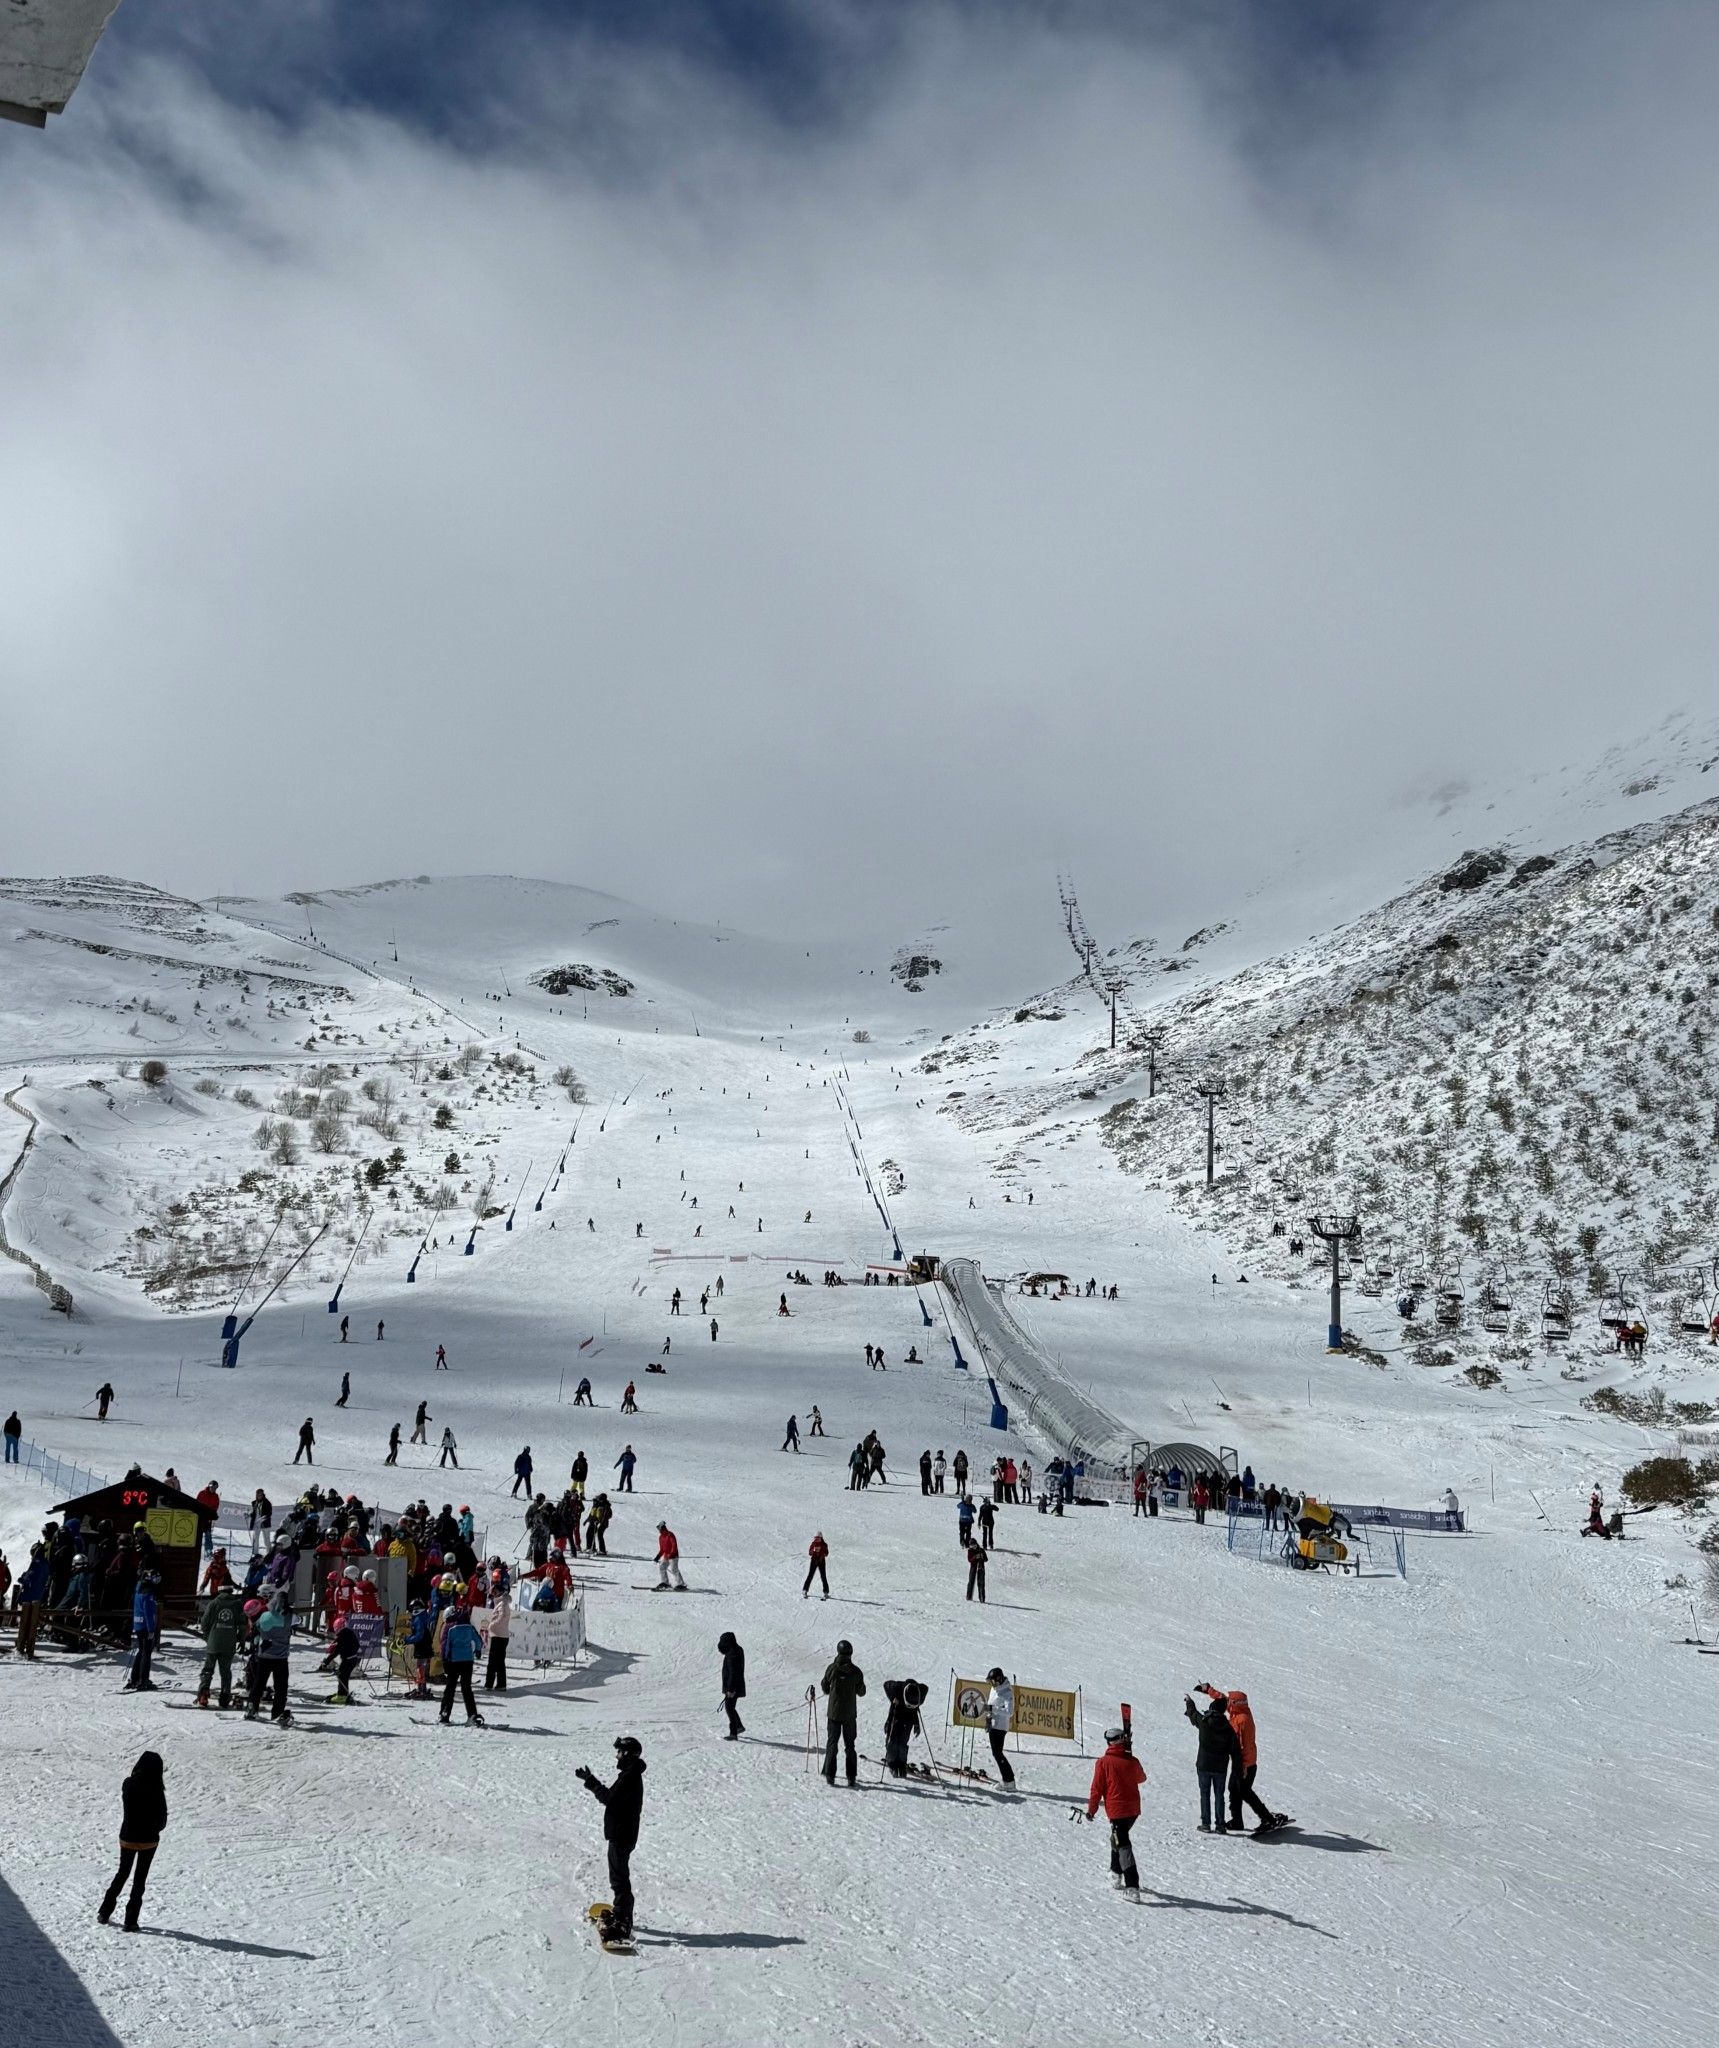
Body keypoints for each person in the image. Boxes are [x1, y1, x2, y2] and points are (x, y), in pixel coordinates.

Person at [577, 1737, 646, 1945]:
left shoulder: (630, 1777)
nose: (616, 1756)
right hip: (622, 1833)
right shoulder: (629, 1774)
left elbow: (609, 1799)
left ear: (627, 1754)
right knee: (618, 1876)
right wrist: (591, 1781)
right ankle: (621, 1912)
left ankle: (623, 1921)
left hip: (622, 1835)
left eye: (619, 1752)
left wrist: (592, 1782)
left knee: (619, 1878)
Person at [1196, 1683, 1281, 1834]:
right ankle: (1237, 1821)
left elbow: (1239, 1747)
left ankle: (1267, 1818)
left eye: (1230, 1701)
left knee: (1244, 1791)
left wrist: (1242, 1767)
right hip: (1246, 1763)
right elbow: (1223, 1699)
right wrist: (1208, 1690)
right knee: (1234, 1789)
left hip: (1245, 1765)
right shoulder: (1241, 1711)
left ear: (1235, 1704)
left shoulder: (1241, 1721)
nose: (1227, 1703)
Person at [98, 1751, 167, 1931]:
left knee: (122, 1873)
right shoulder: (157, 1789)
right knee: (139, 1880)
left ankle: (104, 1911)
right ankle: (131, 1921)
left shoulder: (128, 1785)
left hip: (127, 1837)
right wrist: (154, 1829)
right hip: (149, 1841)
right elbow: (162, 1820)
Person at [1085, 1727, 1146, 1894]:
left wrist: (1091, 1810)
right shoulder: (1131, 1760)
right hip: (1133, 1810)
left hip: (1117, 1811)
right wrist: (1130, 1758)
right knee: (1116, 1838)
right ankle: (1115, 1872)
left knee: (1123, 1845)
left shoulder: (1104, 1762)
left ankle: (1132, 1886)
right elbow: (1141, 1778)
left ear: (1109, 1743)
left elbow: (1097, 1789)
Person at [1184, 1689, 1241, 1832]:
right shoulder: (1228, 1729)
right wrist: (1237, 1770)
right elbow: (1235, 1751)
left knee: (1205, 1794)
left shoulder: (1205, 1722)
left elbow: (1193, 1714)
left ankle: (1206, 1824)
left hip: (1204, 1765)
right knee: (1219, 1795)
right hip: (1220, 1768)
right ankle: (1220, 1825)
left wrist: (1189, 1702)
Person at [820, 1639, 865, 1786]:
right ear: (850, 1653)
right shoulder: (856, 1671)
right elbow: (862, 1691)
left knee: (832, 1743)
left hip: (834, 1714)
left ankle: (829, 1774)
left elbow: (825, 1687)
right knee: (850, 1745)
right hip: (849, 1715)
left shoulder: (832, 1668)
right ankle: (851, 1777)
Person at [197, 1583, 247, 1708]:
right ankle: (225, 1697)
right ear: (231, 1591)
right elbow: (242, 1625)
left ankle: (203, 1694)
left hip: (213, 1643)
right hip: (229, 1643)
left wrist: (208, 1638)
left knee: (208, 1670)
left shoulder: (213, 1603)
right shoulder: (237, 1604)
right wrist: (241, 1640)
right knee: (225, 1672)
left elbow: (204, 1623)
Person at [439, 1604, 484, 1724]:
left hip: (453, 1661)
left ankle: (444, 1714)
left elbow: (444, 1645)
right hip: (468, 1661)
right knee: (467, 1689)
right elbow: (478, 1641)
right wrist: (477, 1650)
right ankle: (472, 1715)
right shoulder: (469, 1626)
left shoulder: (449, 1627)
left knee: (450, 1689)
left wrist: (444, 1660)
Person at [882, 1678, 928, 1776]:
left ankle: (901, 1764)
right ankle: (892, 1763)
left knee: (903, 1743)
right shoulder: (897, 1688)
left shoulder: (920, 1692)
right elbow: (886, 1684)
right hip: (896, 1716)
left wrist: (916, 1723)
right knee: (892, 1741)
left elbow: (925, 1688)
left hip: (909, 1719)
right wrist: (893, 1697)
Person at [126, 1572, 160, 1691]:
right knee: (146, 1652)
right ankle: (143, 1680)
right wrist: (151, 1629)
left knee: (141, 1651)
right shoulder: (148, 1593)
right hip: (145, 1626)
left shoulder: (138, 1590)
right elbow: (148, 1612)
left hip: (138, 1624)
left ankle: (135, 1678)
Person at [320, 1618, 363, 1704]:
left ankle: (342, 1695)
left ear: (339, 1628)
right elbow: (357, 1645)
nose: (336, 1631)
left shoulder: (342, 1637)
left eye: (336, 1629)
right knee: (343, 1676)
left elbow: (336, 1652)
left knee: (342, 1676)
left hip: (347, 1660)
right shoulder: (350, 1633)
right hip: (353, 1659)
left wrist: (326, 1662)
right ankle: (343, 1693)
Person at [985, 1668, 1016, 1785]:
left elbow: (1009, 1712)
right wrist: (988, 1718)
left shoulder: (1007, 1692)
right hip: (993, 1725)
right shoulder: (994, 1689)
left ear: (999, 1679)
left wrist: (993, 1709)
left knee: (997, 1753)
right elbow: (991, 1704)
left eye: (993, 1682)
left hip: (1000, 1726)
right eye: (990, 1682)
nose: (992, 1684)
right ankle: (1008, 1779)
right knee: (996, 1753)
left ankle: (1009, 1780)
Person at [718, 1630, 747, 1739]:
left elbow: (733, 1673)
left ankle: (733, 1733)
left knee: (729, 1707)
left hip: (733, 1686)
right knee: (730, 1707)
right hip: (736, 1685)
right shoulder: (737, 1650)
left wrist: (730, 1689)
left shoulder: (732, 1654)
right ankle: (738, 1726)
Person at [484, 1582, 512, 1692]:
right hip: (501, 1635)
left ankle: (489, 1684)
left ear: (500, 1592)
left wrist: (492, 1625)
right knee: (499, 1662)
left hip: (498, 1636)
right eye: (493, 1592)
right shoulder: (501, 1603)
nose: (493, 1594)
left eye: (495, 1592)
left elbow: (502, 1617)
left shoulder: (502, 1604)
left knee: (493, 1662)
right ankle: (501, 1684)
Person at [654, 1522, 686, 1591]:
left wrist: (671, 1554)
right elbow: (662, 1549)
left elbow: (674, 1545)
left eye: (659, 1528)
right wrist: (657, 1557)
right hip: (666, 1556)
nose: (658, 1530)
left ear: (662, 1528)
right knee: (662, 1567)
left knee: (674, 1569)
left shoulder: (670, 1535)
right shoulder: (661, 1537)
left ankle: (681, 1584)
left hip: (673, 1556)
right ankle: (665, 1583)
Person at [803, 1531, 830, 1599]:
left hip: (821, 1561)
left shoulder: (824, 1545)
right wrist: (813, 1550)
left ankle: (826, 1592)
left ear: (821, 1538)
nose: (816, 1540)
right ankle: (805, 1590)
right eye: (815, 1538)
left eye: (818, 1538)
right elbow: (810, 1553)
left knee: (823, 1576)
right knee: (810, 1575)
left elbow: (826, 1553)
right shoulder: (813, 1544)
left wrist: (822, 1551)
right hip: (814, 1561)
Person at [964, 1539, 987, 1603]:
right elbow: (969, 1560)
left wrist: (982, 1557)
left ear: (976, 1544)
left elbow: (986, 1559)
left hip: (980, 1568)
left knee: (981, 1583)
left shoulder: (981, 1550)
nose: (973, 1547)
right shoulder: (970, 1551)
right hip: (973, 1568)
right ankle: (969, 1596)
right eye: (971, 1546)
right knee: (971, 1581)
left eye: (974, 1545)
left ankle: (982, 1597)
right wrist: (975, 1557)